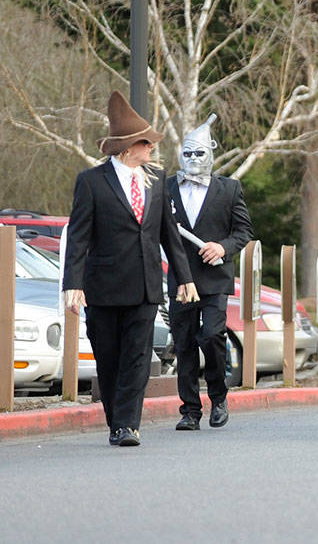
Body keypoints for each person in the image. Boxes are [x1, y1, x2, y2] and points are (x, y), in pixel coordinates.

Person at [63, 91, 197, 447]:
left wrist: (184, 277)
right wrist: (72, 283)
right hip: (104, 286)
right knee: (109, 358)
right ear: (127, 147)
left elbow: (169, 234)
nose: (152, 148)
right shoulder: (91, 181)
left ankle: (128, 425)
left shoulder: (156, 179)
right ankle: (115, 420)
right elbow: (78, 236)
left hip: (145, 287)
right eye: (146, 143)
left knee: (137, 357)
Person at [167, 114, 254, 431]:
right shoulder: (166, 189)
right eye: (187, 153)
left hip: (215, 279)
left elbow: (243, 232)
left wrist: (222, 247)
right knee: (184, 342)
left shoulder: (229, 189)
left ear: (211, 155)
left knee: (213, 335)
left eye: (198, 153)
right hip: (180, 279)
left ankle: (218, 397)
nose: (192, 159)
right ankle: (190, 410)